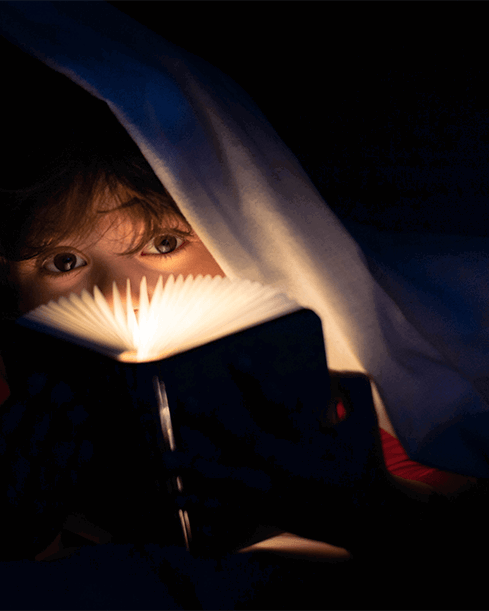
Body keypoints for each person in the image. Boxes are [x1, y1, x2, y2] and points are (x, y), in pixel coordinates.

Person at [0, 0, 482, 572]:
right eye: (64, 262)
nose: (124, 299)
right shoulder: (22, 438)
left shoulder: (413, 384)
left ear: (236, 233)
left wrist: (376, 514)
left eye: (164, 244)